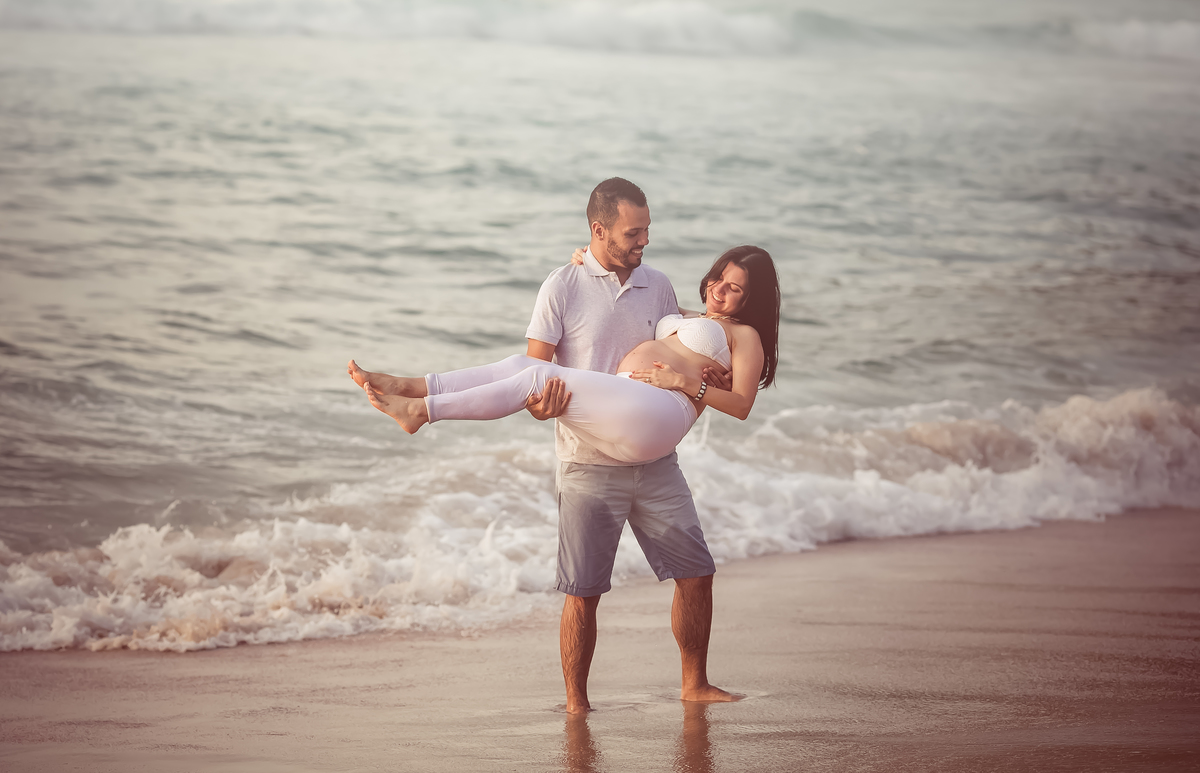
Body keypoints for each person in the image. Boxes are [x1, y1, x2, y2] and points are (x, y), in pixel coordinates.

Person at [348, 178, 780, 712]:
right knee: (582, 586)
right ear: (599, 231)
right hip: (590, 453)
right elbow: (538, 381)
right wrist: (543, 404)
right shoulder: (564, 284)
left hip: (652, 450)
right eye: (632, 232)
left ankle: (422, 406)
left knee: (695, 572)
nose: (644, 240)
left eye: (646, 230)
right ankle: (416, 389)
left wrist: (688, 384)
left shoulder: (663, 288)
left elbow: (730, 394)